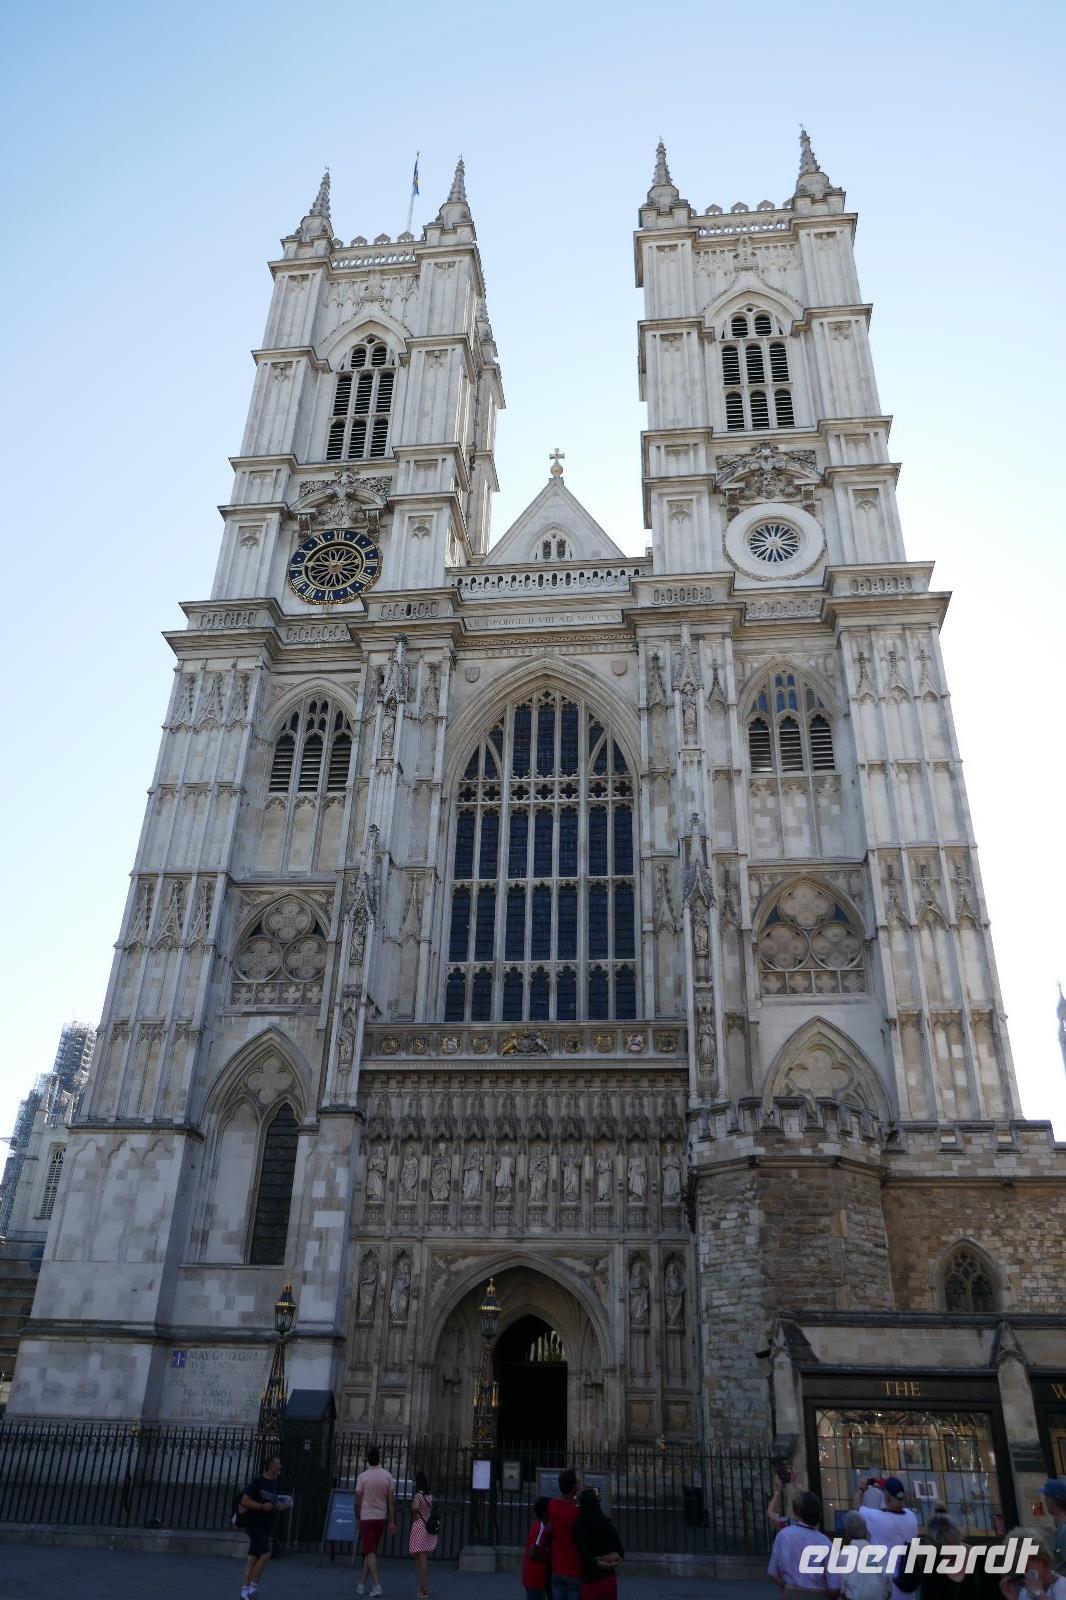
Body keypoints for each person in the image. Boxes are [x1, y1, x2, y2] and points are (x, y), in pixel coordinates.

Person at [237, 1453, 292, 1600]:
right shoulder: (257, 1481)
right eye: (278, 1464)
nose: (280, 1466)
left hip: (267, 1523)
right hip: (255, 1523)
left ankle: (245, 1591)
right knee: (266, 1555)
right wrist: (261, 1506)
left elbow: (272, 1504)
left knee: (253, 1558)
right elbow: (244, 1501)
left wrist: (281, 1506)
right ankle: (253, 1588)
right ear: (271, 1466)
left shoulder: (274, 1482)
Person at [857, 1478, 919, 1600]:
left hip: (886, 1588)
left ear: (886, 1497)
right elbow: (901, 1508)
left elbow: (856, 1506)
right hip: (907, 1585)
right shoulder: (912, 1517)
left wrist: (861, 1489)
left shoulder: (879, 1519)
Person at [767, 1489, 835, 1597]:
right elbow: (834, 1586)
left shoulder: (784, 1531)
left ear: (797, 1511)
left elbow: (772, 1572)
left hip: (791, 1591)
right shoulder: (825, 1542)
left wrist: (776, 1491)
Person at [355, 1444, 396, 1598]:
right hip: (380, 1518)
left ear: (367, 1460)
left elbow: (358, 1501)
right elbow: (391, 1501)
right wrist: (392, 1521)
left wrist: (357, 1517)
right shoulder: (387, 1476)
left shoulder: (362, 1477)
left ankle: (377, 1585)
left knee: (370, 1551)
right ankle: (361, 1584)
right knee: (369, 1551)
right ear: (379, 1459)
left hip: (366, 1518)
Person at [573, 1486, 624, 1600]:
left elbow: (584, 1555)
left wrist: (598, 1560)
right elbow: (620, 1551)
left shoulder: (580, 1526)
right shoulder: (606, 1522)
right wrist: (607, 1559)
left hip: (590, 1579)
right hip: (609, 1578)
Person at [997, 1529, 1066, 1600]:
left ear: (1042, 1558)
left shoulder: (1062, 1586)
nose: (1023, 1572)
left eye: (1026, 1566)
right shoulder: (1025, 1592)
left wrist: (1038, 1594)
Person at [840, 1511, 891, 1600]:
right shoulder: (879, 1553)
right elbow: (888, 1581)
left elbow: (842, 1588)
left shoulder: (843, 1555)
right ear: (866, 1532)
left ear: (847, 1533)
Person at [549, 1469, 583, 1600]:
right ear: (574, 1487)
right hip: (574, 1568)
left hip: (557, 1567)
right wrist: (579, 1492)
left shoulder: (552, 1505)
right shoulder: (577, 1511)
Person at [408, 1468, 437, 1599]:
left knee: (421, 1558)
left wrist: (413, 1504)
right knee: (421, 1557)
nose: (413, 1482)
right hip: (427, 1525)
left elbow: (414, 1509)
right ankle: (422, 1586)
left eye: (414, 1480)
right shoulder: (429, 1495)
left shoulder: (418, 1496)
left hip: (419, 1526)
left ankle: (425, 1588)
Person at [522, 1495, 552, 1600]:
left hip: (533, 1576)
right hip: (535, 1576)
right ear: (545, 1512)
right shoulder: (541, 1528)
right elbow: (532, 1552)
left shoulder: (539, 1526)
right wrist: (548, 1557)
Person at [1040, 1479, 1066, 1575]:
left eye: (1046, 1497)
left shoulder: (1064, 1531)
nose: (1045, 1500)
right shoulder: (1060, 1529)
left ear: (1051, 1501)